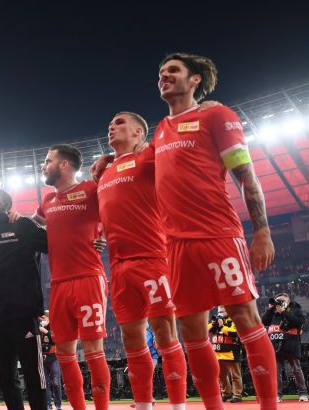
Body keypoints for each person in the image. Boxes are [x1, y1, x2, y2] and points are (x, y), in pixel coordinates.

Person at [153, 52, 277, 410]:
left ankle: (269, 405)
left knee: (245, 318)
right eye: (161, 72)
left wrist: (262, 231)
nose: (164, 76)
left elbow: (246, 176)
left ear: (195, 80)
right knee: (191, 331)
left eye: (173, 70)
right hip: (176, 246)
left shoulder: (216, 116)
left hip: (218, 235)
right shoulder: (161, 129)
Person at [96, 112, 188, 410]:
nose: (112, 126)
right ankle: (144, 405)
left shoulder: (149, 157)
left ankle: (178, 406)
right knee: (131, 339)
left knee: (164, 333)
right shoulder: (103, 173)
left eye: (120, 122)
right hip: (119, 267)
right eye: (111, 123)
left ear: (138, 132)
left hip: (153, 259)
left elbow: (174, 140)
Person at [32, 144, 110, 410]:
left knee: (93, 350)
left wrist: (104, 235)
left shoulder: (90, 189)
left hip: (88, 277)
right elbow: (31, 225)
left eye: (48, 161)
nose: (44, 166)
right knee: (65, 354)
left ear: (64, 164)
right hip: (58, 285)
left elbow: (115, 209)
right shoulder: (47, 201)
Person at [0, 189, 48, 410]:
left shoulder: (22, 225)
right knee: (6, 378)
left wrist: (92, 242)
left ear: (7, 204)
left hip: (24, 315)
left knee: (34, 376)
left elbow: (54, 243)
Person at [261, 293, 307, 401]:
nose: (279, 303)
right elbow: (264, 321)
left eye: (282, 300)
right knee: (276, 372)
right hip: (276, 345)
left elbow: (298, 322)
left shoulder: (295, 308)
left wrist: (283, 311)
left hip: (291, 344)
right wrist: (270, 309)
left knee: (296, 370)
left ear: (288, 301)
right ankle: (277, 394)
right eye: (278, 300)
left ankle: (303, 393)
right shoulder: (274, 312)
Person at [208, 307, 243, 402]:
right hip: (218, 354)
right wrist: (214, 323)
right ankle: (226, 393)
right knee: (221, 376)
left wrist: (222, 326)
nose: (220, 313)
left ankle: (237, 395)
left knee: (235, 376)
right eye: (219, 311)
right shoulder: (216, 322)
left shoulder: (234, 320)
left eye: (222, 311)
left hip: (231, 353)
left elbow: (234, 333)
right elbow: (206, 329)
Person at [39, 313, 61, 410]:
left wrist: (46, 331)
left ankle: (58, 405)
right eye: (41, 318)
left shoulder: (54, 327)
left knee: (56, 382)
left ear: (48, 318)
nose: (42, 320)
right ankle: (48, 405)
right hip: (41, 358)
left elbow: (55, 341)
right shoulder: (38, 327)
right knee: (45, 384)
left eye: (43, 318)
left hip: (53, 357)